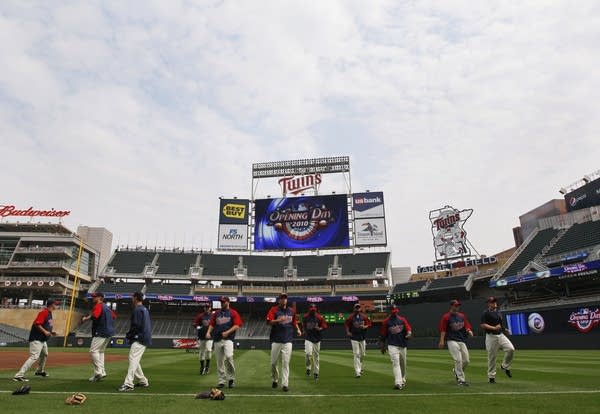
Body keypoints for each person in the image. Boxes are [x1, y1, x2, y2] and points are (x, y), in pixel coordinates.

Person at [14, 299, 60, 381]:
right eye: (55, 304)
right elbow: (37, 323)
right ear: (51, 305)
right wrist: (45, 331)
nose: (57, 306)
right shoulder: (44, 312)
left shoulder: (49, 313)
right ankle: (19, 375)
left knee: (45, 354)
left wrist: (50, 332)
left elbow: (44, 325)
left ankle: (39, 371)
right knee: (34, 356)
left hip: (42, 339)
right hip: (37, 338)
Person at [266, 293, 302, 392]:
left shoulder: (291, 311)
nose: (284, 300)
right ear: (279, 300)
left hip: (288, 340)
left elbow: (294, 322)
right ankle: (275, 379)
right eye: (282, 298)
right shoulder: (274, 310)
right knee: (273, 363)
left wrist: (298, 329)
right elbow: (268, 322)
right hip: (276, 339)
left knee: (286, 363)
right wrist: (278, 320)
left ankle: (285, 384)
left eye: (285, 298)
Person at [118, 291, 152, 392]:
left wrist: (129, 334)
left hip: (140, 337)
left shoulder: (137, 310)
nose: (131, 298)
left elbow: (136, 325)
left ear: (136, 298)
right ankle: (143, 381)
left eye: (133, 297)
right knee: (134, 359)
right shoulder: (144, 309)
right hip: (144, 337)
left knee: (133, 360)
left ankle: (128, 384)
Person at [206, 296, 242, 389]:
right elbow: (212, 324)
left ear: (228, 302)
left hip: (228, 339)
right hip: (217, 339)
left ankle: (231, 379)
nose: (222, 303)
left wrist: (228, 332)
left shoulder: (233, 313)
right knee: (219, 361)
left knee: (229, 357)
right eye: (221, 302)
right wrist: (208, 332)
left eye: (224, 302)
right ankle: (222, 381)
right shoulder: (216, 313)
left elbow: (237, 325)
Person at [438, 299, 473, 386]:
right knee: (458, 360)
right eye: (456, 305)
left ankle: (456, 371)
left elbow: (466, 325)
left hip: (461, 340)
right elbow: (443, 330)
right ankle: (461, 380)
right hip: (451, 340)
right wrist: (442, 340)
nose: (457, 307)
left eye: (458, 305)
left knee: (466, 361)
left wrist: (469, 330)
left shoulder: (462, 316)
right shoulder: (446, 317)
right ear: (452, 306)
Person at [82, 292, 116, 382]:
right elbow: (114, 316)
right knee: (100, 351)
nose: (93, 298)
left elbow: (95, 315)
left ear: (100, 298)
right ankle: (102, 372)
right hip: (109, 332)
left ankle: (98, 373)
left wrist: (86, 318)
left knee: (93, 351)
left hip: (101, 332)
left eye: (95, 297)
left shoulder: (99, 305)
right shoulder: (107, 307)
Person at [480, 296, 515, 384]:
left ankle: (505, 366)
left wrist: (505, 329)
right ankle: (491, 377)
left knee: (511, 349)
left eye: (495, 301)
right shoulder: (485, 313)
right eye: (492, 302)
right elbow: (483, 325)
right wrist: (494, 328)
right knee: (492, 357)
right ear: (489, 304)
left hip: (500, 335)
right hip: (491, 336)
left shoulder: (499, 312)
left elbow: (500, 324)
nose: (494, 303)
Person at [380, 305, 412, 390]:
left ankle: (402, 379)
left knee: (403, 364)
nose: (394, 312)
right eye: (393, 311)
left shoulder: (402, 319)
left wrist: (409, 334)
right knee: (395, 363)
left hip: (402, 344)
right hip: (392, 345)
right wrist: (383, 346)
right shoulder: (386, 322)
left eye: (395, 311)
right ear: (389, 311)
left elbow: (408, 329)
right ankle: (398, 382)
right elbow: (383, 335)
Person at [344, 303, 372, 378]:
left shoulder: (364, 317)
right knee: (356, 354)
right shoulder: (350, 317)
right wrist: (348, 332)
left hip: (362, 337)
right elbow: (346, 325)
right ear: (354, 309)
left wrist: (365, 326)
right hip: (354, 338)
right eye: (356, 308)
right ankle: (357, 372)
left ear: (360, 309)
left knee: (363, 354)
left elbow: (369, 324)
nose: (357, 309)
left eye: (358, 308)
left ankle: (360, 366)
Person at [302, 303, 328, 381]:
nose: (313, 310)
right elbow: (303, 324)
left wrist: (320, 329)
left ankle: (316, 373)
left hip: (317, 339)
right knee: (308, 354)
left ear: (316, 309)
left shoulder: (319, 317)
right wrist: (304, 330)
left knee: (316, 357)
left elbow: (325, 326)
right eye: (311, 308)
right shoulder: (305, 317)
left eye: (314, 308)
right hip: (308, 338)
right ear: (309, 309)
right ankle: (308, 368)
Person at [193, 302, 213, 375]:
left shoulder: (213, 316)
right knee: (201, 352)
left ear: (210, 308)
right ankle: (202, 367)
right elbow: (195, 323)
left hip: (210, 336)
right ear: (204, 308)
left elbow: (216, 324)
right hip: (201, 337)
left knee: (208, 350)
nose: (207, 308)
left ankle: (207, 366)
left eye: (208, 307)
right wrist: (197, 327)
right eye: (206, 307)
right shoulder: (200, 316)